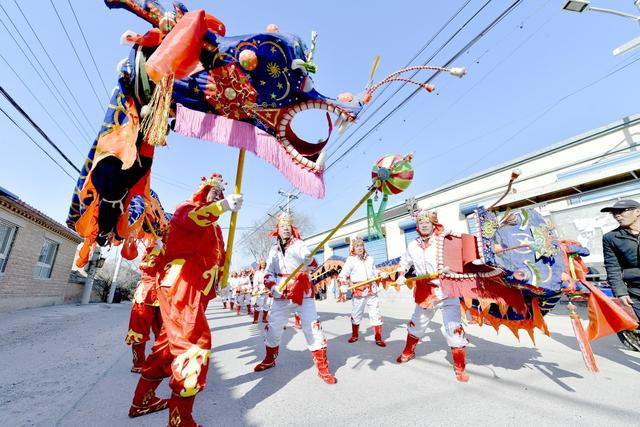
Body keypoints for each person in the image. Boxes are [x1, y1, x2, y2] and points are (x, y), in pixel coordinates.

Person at [127, 174, 242, 426]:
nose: (218, 194)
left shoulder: (215, 227)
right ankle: (181, 420)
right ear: (202, 192)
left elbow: (218, 255)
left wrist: (221, 277)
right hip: (182, 282)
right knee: (194, 342)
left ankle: (142, 401)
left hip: (197, 286)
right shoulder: (186, 208)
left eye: (221, 193)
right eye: (213, 191)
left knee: (168, 345)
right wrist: (223, 206)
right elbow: (195, 219)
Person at [254, 211, 337, 384]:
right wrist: (272, 286)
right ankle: (270, 359)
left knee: (312, 326)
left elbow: (313, 264)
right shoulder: (273, 250)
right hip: (281, 292)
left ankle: (323, 367)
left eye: (288, 227)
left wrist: (309, 260)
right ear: (277, 230)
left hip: (302, 290)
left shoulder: (299, 244)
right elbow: (268, 272)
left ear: (292, 229)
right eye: (282, 227)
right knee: (274, 327)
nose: (286, 229)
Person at [395, 209, 469, 382]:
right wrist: (400, 275)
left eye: (427, 222)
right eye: (421, 223)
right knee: (417, 324)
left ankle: (460, 368)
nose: (425, 224)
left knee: (454, 328)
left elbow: (458, 254)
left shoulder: (442, 239)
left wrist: (451, 266)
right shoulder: (412, 245)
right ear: (418, 226)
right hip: (425, 292)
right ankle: (408, 351)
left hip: (446, 290)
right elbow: (404, 262)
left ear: (433, 224)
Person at [601, 199, 640, 350]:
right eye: (614, 213)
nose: (617, 215)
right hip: (635, 290)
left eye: (622, 211)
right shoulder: (611, 238)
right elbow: (612, 267)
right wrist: (620, 293)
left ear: (637, 211)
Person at [338, 237, 386, 346]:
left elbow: (374, 271)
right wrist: (343, 285)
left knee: (375, 313)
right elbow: (343, 275)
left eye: (361, 246)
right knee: (356, 313)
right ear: (353, 248)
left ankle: (378, 337)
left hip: (372, 290)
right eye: (357, 246)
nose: (359, 248)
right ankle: (355, 335)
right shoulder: (350, 260)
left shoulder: (370, 259)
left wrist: (380, 273)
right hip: (359, 291)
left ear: (364, 247)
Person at [125, 239, 164, 373]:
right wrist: (159, 249)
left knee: (163, 331)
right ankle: (139, 363)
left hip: (165, 293)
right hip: (145, 294)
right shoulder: (153, 246)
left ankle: (160, 362)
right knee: (138, 330)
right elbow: (146, 266)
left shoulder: (177, 247)